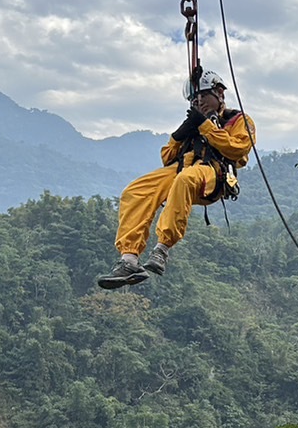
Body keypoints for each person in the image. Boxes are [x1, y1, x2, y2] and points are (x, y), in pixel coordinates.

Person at [97, 69, 254, 288]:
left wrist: (206, 126)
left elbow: (238, 149)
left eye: (202, 96)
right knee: (136, 191)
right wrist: (181, 133)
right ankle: (129, 259)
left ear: (219, 93)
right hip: (184, 167)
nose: (198, 102)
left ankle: (162, 248)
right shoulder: (195, 120)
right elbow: (168, 157)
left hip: (213, 172)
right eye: (194, 98)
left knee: (185, 180)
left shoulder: (238, 119)